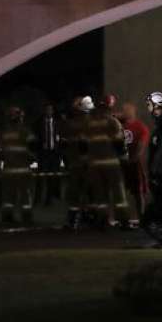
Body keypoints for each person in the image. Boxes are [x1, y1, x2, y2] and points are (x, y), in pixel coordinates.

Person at [87, 95, 131, 228]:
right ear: (109, 107)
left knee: (100, 194)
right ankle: (123, 220)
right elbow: (119, 143)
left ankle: (102, 220)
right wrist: (125, 160)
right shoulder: (112, 122)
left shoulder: (91, 124)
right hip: (111, 163)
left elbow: (84, 144)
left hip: (95, 164)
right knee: (118, 193)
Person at [0, 105, 36, 224]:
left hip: (8, 170)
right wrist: (33, 158)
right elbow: (33, 146)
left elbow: (0, 152)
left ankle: (7, 216)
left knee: (8, 196)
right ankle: (26, 216)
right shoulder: (25, 131)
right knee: (25, 195)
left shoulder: (4, 133)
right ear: (19, 118)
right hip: (22, 169)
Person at [61, 96, 93, 230]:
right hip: (84, 163)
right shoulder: (90, 123)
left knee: (76, 193)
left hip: (77, 163)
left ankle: (74, 220)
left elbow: (65, 143)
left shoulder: (71, 124)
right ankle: (89, 218)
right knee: (88, 192)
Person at [119, 102, 150, 227]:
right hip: (122, 163)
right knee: (121, 192)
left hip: (135, 164)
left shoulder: (140, 127)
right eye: (123, 110)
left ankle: (141, 217)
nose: (124, 112)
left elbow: (141, 145)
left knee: (138, 192)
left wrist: (134, 158)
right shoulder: (118, 125)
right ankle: (123, 218)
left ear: (133, 111)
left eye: (127, 110)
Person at [33, 103, 62, 206]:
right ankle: (37, 199)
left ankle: (48, 200)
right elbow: (35, 138)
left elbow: (60, 137)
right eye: (47, 110)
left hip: (54, 153)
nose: (49, 111)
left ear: (52, 111)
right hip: (43, 153)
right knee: (40, 177)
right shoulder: (39, 123)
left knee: (52, 177)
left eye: (50, 110)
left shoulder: (57, 123)